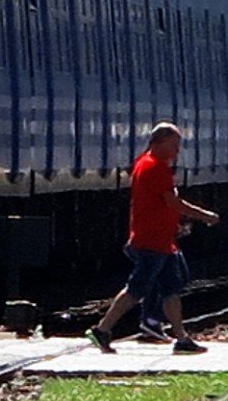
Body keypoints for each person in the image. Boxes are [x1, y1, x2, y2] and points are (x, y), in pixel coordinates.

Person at [88, 122, 220, 355]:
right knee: (136, 289)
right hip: (150, 240)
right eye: (174, 145)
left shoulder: (145, 164)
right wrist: (204, 215)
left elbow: (162, 204)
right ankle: (102, 329)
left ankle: (181, 338)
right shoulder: (155, 167)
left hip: (162, 240)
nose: (177, 151)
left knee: (171, 289)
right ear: (159, 142)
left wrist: (174, 224)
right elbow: (173, 202)